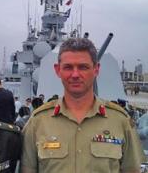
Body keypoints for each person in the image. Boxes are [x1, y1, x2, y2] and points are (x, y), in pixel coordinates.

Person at [21, 38, 146, 173]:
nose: (75, 74)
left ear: (96, 69)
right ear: (58, 70)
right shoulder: (38, 122)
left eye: (83, 67)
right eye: (68, 67)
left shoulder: (120, 121)